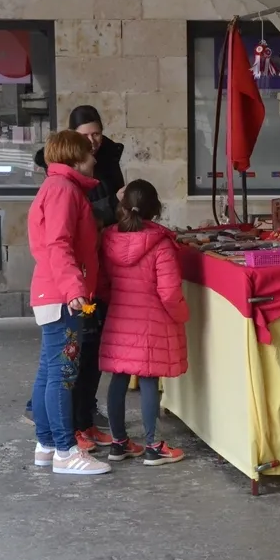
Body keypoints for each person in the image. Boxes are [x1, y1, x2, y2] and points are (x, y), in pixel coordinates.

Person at [26, 105, 126, 452]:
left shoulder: (63, 188)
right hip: (64, 296)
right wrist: (74, 291)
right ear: (76, 157)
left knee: (51, 371)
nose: (95, 157)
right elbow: (58, 244)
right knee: (62, 374)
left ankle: (47, 445)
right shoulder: (63, 191)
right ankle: (65, 450)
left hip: (61, 292)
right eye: (88, 151)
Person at [97, 180, 189, 466]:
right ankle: (153, 446)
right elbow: (170, 292)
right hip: (151, 321)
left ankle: (118, 442)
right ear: (156, 208)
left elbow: (103, 282)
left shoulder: (108, 238)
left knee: (119, 377)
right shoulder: (161, 244)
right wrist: (182, 315)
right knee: (149, 379)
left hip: (118, 319)